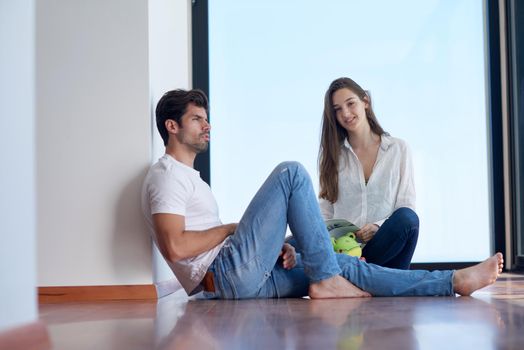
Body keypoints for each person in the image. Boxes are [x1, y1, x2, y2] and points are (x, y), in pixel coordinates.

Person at [141, 88, 503, 300]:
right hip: (225, 275)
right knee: (291, 173)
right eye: (197, 120)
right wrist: (232, 228)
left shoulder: (191, 179)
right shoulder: (166, 176)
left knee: (344, 265)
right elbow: (176, 247)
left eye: (207, 119)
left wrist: (272, 246)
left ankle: (453, 281)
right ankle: (326, 281)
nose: (207, 126)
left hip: (241, 281)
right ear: (172, 127)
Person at [319, 77, 418, 269]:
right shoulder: (332, 156)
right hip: (346, 252)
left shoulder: (398, 149)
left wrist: (377, 227)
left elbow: (406, 204)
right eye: (337, 109)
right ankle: (363, 275)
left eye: (350, 103)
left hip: (385, 248)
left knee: (408, 218)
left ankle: (358, 276)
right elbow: (325, 212)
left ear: (365, 101)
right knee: (293, 242)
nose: (345, 113)